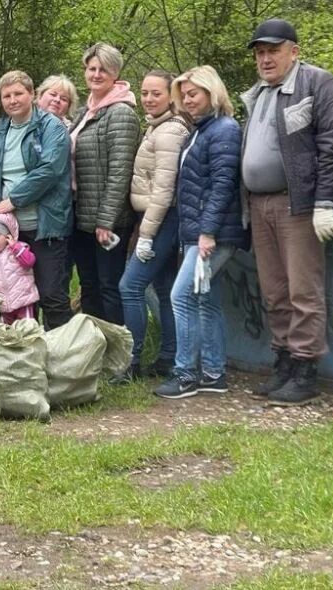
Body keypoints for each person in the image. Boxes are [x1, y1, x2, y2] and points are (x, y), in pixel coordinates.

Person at [241, 19, 333, 406]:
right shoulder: (258, 93)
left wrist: (323, 202)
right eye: (260, 52)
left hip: (298, 203)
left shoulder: (317, 83)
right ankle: (284, 361)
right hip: (260, 204)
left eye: (273, 50)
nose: (266, 58)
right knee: (274, 290)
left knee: (303, 288)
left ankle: (305, 369)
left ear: (294, 51)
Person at [154, 66, 246, 399]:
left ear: (212, 92)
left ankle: (185, 375)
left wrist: (207, 232)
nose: (188, 101)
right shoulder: (202, 130)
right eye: (184, 96)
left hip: (214, 234)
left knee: (181, 297)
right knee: (206, 301)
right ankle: (213, 373)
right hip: (200, 232)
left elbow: (223, 185)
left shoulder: (224, 129)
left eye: (194, 94)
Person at [0, 70, 73, 330]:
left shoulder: (50, 126)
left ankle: (62, 355)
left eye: (18, 93)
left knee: (51, 293)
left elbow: (51, 168)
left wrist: (15, 200)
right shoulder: (1, 131)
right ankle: (27, 352)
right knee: (15, 296)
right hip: (11, 234)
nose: (12, 100)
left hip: (46, 227)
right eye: (6, 96)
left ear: (32, 95)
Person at [115, 71, 190, 383]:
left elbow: (163, 189)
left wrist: (146, 234)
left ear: (171, 96)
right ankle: (168, 356)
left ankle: (131, 361)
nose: (148, 99)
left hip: (161, 218)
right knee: (163, 288)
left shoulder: (171, 131)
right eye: (144, 93)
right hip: (157, 218)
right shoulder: (157, 127)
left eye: (156, 93)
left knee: (129, 287)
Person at [69, 42, 141, 325]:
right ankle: (93, 349)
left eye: (104, 69)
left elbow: (120, 171)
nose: (96, 74)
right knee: (90, 286)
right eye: (91, 68)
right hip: (82, 217)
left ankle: (119, 353)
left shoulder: (120, 112)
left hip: (108, 221)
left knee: (110, 287)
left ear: (115, 74)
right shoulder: (87, 110)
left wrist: (106, 220)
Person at [0, 210, 39, 324]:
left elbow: (29, 262)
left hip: (23, 301)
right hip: (3, 305)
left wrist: (15, 247)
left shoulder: (17, 248)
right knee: (7, 333)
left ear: (7, 235)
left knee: (28, 329)